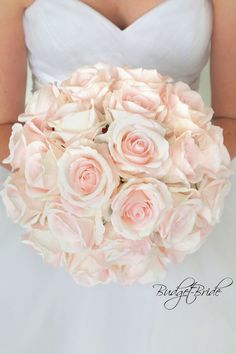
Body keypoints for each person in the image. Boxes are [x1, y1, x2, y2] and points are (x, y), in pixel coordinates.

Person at [0, 1, 235, 353]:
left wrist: (167, 185)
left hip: (178, 209)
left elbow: (231, 120)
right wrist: (77, 187)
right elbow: (4, 126)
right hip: (63, 218)